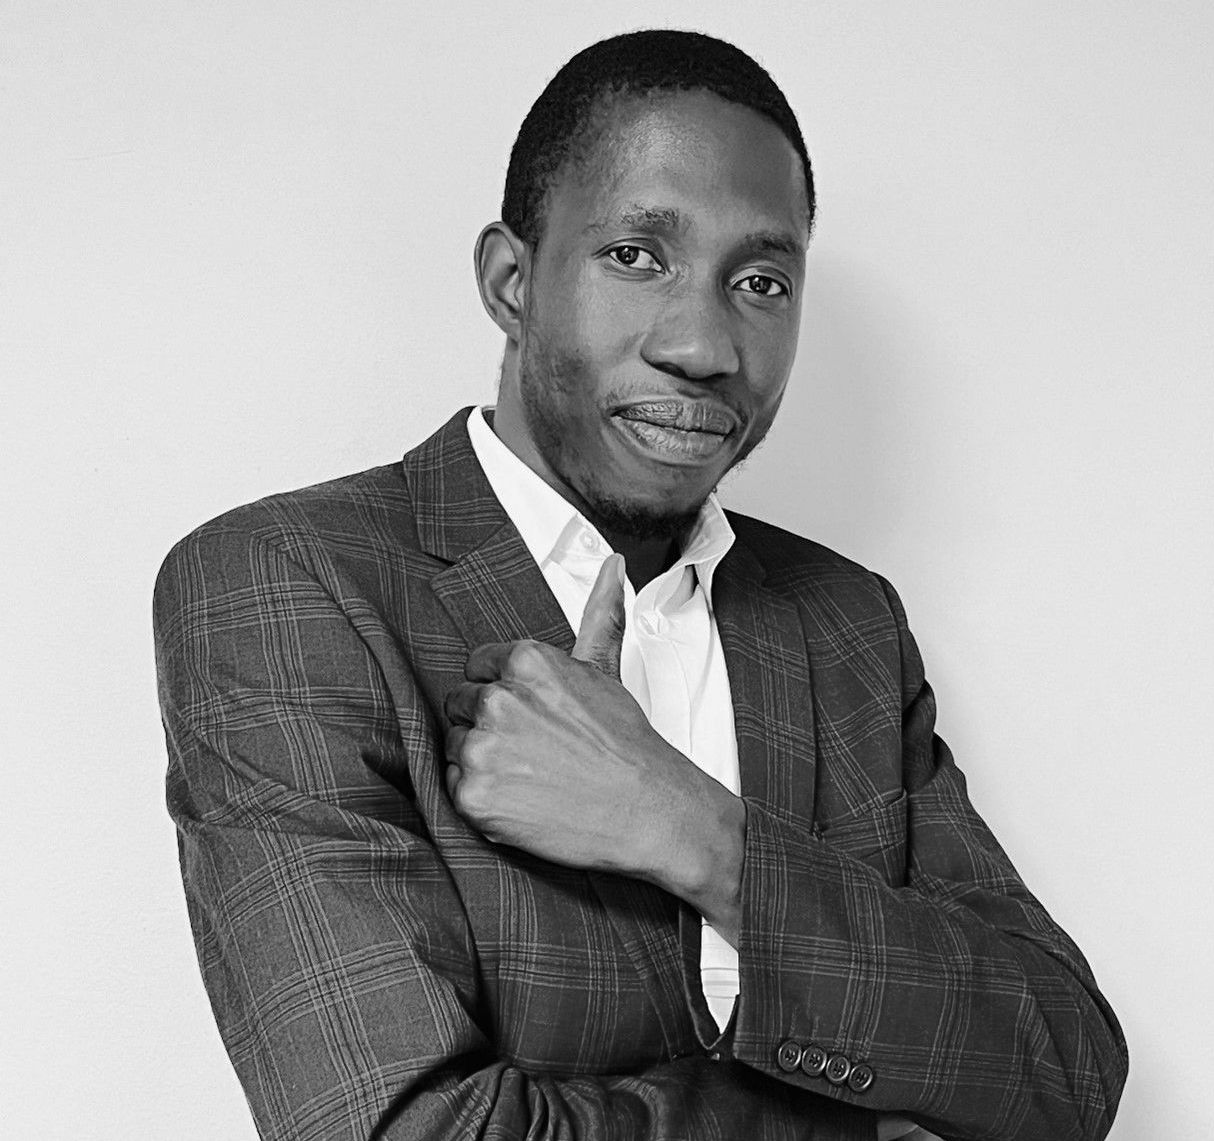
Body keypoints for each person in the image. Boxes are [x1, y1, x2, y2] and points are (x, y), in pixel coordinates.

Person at [153, 29, 1127, 1141]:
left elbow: (1061, 1068)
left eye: (759, 281)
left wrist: (693, 831)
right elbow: (398, 1129)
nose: (705, 342)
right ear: (510, 281)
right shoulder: (289, 589)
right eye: (636, 255)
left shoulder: (844, 623)